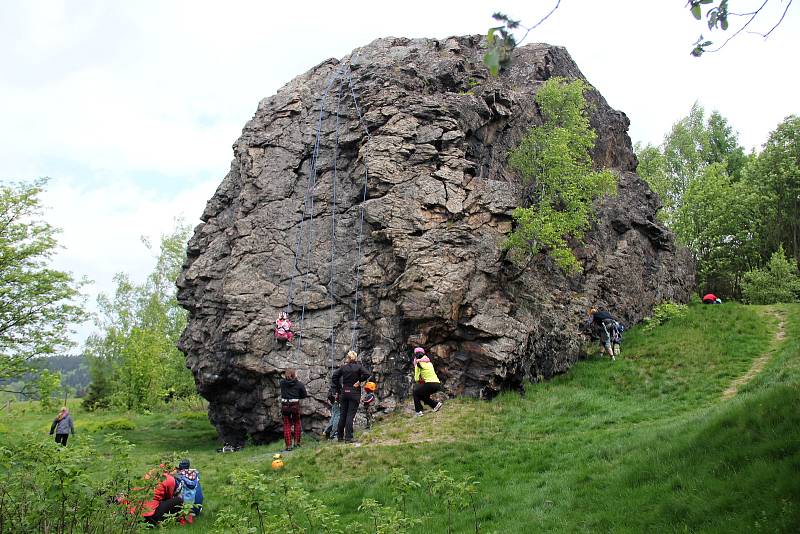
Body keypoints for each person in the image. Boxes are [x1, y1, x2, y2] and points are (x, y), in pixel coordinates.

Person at [329, 350, 370, 443]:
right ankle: (348, 437)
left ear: (348, 358)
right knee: (350, 415)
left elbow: (334, 376)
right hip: (354, 392)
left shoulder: (343, 367)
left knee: (343, 415)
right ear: (355, 358)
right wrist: (359, 381)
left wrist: (339, 387)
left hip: (344, 392)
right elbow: (368, 374)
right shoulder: (359, 367)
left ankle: (340, 437)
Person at [279, 368, 307, 451]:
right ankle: (296, 443)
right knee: (297, 423)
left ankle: (288, 446)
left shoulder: (282, 383)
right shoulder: (299, 384)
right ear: (294, 374)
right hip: (295, 406)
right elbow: (304, 395)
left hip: (285, 406)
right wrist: (297, 396)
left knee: (287, 425)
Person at [412, 347, 443, 416]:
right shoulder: (428, 362)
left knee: (415, 392)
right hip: (437, 384)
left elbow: (416, 379)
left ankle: (418, 411)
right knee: (422, 395)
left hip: (430, 384)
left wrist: (420, 379)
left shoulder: (418, 363)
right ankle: (435, 405)